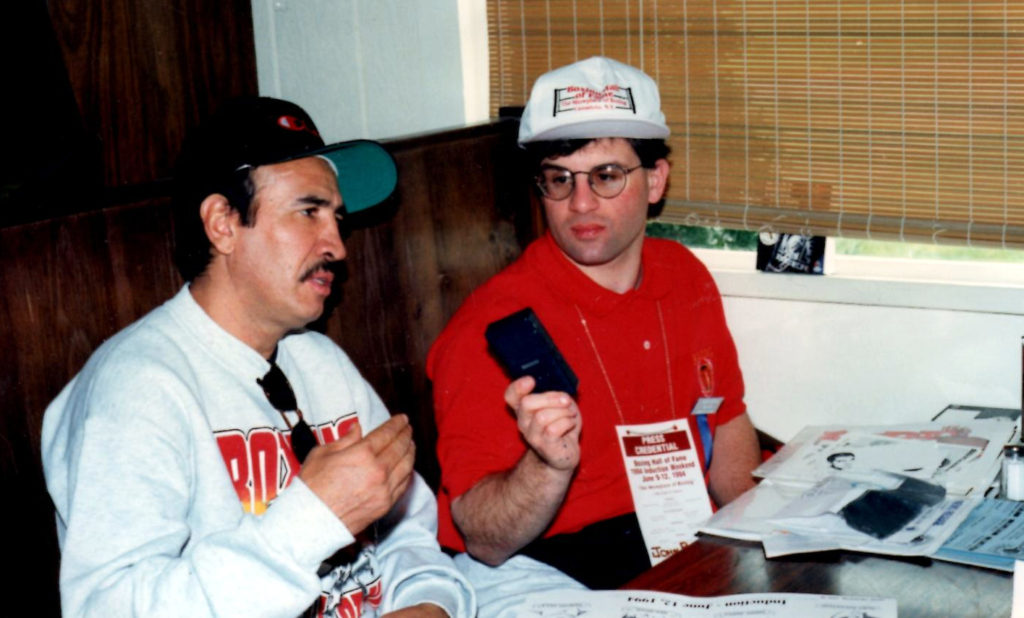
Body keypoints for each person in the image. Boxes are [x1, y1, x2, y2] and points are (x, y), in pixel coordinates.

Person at [42, 97, 474, 618]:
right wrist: (313, 518)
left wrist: (429, 604)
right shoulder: (134, 390)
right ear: (222, 222)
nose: (337, 244)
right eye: (308, 212)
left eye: (336, 217)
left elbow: (412, 542)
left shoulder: (320, 362)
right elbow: (107, 610)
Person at [427, 57, 760, 612]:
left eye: (606, 176)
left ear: (655, 180)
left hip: (674, 538)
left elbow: (725, 417)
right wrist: (546, 464)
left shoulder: (684, 275)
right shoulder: (490, 327)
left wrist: (769, 541)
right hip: (541, 563)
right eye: (560, 179)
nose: (580, 204)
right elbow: (485, 540)